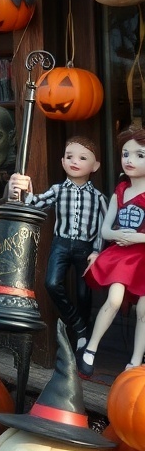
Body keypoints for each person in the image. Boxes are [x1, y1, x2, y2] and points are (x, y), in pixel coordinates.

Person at [8, 136, 108, 350]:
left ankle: (84, 332)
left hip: (85, 248)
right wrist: (24, 189)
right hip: (61, 244)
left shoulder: (98, 197)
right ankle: (77, 323)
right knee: (52, 283)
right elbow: (36, 203)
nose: (75, 161)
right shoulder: (58, 190)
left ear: (95, 166)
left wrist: (97, 251)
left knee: (84, 293)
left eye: (83, 158)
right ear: (63, 161)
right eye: (69, 157)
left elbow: (103, 226)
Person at [76, 126, 145, 377]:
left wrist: (135, 237)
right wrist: (118, 235)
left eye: (139, 155)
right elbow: (105, 230)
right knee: (114, 299)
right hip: (123, 257)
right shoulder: (120, 191)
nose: (129, 160)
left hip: (143, 257)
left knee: (143, 311)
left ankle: (135, 361)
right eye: (125, 154)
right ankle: (90, 349)